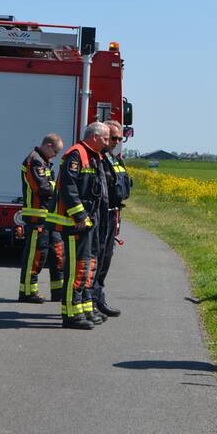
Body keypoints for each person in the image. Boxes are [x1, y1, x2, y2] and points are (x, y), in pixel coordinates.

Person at [54, 122, 110, 329]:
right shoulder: (76, 155)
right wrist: (79, 216)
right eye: (105, 138)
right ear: (94, 137)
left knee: (86, 266)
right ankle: (70, 315)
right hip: (74, 223)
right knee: (75, 268)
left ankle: (83, 308)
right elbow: (68, 188)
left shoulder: (94, 156)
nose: (107, 142)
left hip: (89, 221)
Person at [18, 134, 65, 303]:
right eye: (56, 151)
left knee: (57, 253)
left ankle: (58, 291)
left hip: (49, 217)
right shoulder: (34, 160)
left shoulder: (43, 161)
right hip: (36, 217)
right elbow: (43, 187)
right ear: (48, 145)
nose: (56, 155)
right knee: (36, 256)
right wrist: (59, 187)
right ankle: (27, 292)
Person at [93, 120, 132, 318]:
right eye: (113, 138)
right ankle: (89, 300)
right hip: (101, 216)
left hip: (113, 214)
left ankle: (99, 297)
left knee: (106, 259)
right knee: (96, 259)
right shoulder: (97, 159)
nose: (117, 141)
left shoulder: (114, 159)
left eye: (119, 138)